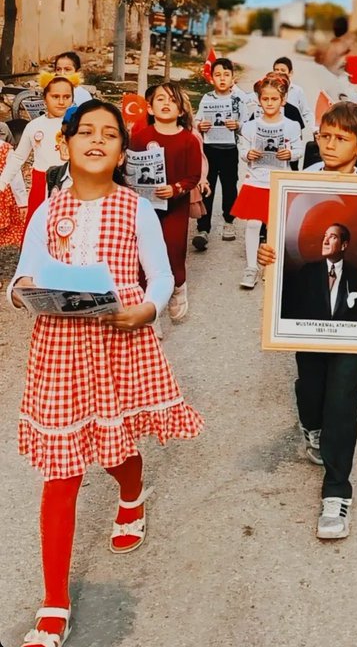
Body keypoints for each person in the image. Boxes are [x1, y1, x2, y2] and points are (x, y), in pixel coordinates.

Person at [8, 99, 203, 647]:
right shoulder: (48, 209)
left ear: (123, 150)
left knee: (116, 448)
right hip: (60, 351)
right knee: (61, 471)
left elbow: (159, 277)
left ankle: (132, 496)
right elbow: (25, 272)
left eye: (110, 134)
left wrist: (148, 308)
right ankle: (53, 601)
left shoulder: (134, 207)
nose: (97, 139)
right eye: (85, 131)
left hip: (120, 343)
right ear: (64, 144)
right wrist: (20, 291)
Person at [258, 101, 357, 540]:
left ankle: (337, 489)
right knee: (312, 387)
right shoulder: (299, 183)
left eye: (340, 138)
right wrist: (268, 256)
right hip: (305, 318)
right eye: (324, 135)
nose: (330, 143)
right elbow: (278, 240)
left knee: (343, 398)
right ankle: (311, 425)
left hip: (354, 326)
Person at [129, 83, 202, 324]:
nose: (166, 103)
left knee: (173, 250)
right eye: (160, 99)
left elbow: (193, 176)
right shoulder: (139, 138)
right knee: (143, 255)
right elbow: (128, 170)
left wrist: (175, 189)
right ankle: (151, 309)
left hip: (174, 207)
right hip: (145, 208)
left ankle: (178, 287)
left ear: (181, 110)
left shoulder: (188, 140)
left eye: (172, 99)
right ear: (149, 108)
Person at [231, 73, 302, 289]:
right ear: (259, 100)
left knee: (276, 225)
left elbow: (298, 149)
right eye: (265, 99)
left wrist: (289, 154)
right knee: (253, 223)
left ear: (283, 100)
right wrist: (247, 154)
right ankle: (252, 266)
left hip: (279, 180)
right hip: (256, 179)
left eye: (274, 99)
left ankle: (273, 266)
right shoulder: (251, 126)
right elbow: (242, 147)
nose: (269, 103)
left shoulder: (291, 125)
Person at [0, 74, 74, 234]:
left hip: (71, 183)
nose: (61, 102)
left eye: (66, 97)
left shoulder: (78, 124)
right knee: (38, 228)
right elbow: (19, 156)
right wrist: (3, 181)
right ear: (44, 98)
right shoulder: (34, 126)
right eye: (55, 96)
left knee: (68, 227)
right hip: (41, 183)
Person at [193, 57, 242, 250]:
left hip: (230, 149)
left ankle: (229, 221)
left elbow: (248, 124)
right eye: (218, 75)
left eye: (226, 75)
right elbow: (197, 120)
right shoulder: (207, 98)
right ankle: (203, 228)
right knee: (207, 187)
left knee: (230, 187)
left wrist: (238, 125)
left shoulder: (238, 100)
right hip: (210, 149)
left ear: (233, 78)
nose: (222, 79)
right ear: (211, 78)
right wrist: (200, 125)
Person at [282, 223, 357, 322]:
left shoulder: (356, 276)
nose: (325, 242)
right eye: (325, 236)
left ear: (343, 245)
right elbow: (296, 310)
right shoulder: (307, 272)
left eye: (332, 237)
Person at [0, 137, 27, 248]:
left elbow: (15, 176)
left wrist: (22, 202)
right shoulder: (4, 148)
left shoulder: (4, 149)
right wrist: (22, 202)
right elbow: (15, 177)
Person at [272, 57, 313, 129]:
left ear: (290, 73)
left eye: (283, 70)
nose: (279, 72)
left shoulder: (297, 91)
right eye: (276, 70)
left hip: (293, 130)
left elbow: (306, 113)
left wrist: (314, 130)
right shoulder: (268, 90)